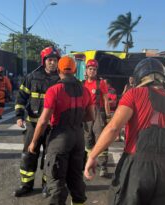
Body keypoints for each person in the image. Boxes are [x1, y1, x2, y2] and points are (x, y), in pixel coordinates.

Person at [85, 58, 165, 205]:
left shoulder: (134, 94)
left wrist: (93, 156)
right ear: (163, 78)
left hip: (137, 170)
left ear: (141, 77)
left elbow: (113, 128)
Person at [28, 56, 95, 205]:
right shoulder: (85, 91)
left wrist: (33, 142)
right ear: (75, 70)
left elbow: (44, 120)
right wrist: (75, 120)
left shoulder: (54, 90)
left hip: (60, 138)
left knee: (57, 179)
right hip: (78, 138)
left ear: (58, 70)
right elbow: (91, 115)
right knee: (76, 177)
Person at [14, 46, 61, 197]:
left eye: (55, 60)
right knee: (29, 154)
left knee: (50, 157)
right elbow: (21, 96)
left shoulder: (61, 79)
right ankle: (26, 185)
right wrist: (19, 115)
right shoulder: (32, 77)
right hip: (33, 125)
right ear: (44, 61)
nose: (52, 63)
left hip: (52, 127)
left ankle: (47, 185)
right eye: (50, 60)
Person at [83, 59, 112, 177]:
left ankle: (103, 166)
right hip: (86, 112)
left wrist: (108, 116)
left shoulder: (101, 83)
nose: (92, 71)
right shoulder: (82, 84)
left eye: (94, 69)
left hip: (98, 112)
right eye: (90, 69)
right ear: (86, 70)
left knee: (101, 138)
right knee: (88, 138)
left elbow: (106, 100)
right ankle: (90, 162)